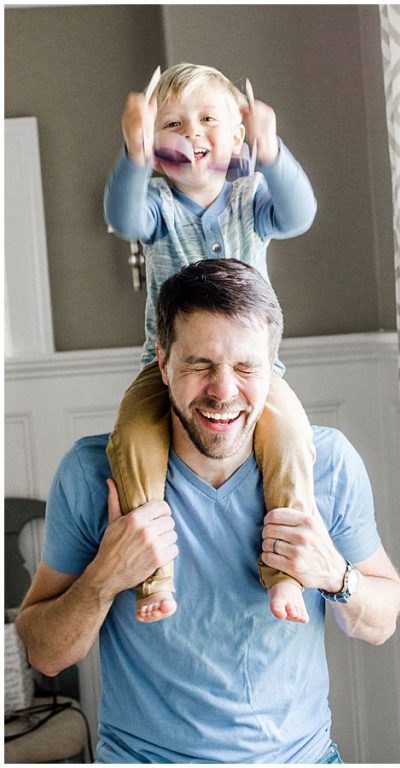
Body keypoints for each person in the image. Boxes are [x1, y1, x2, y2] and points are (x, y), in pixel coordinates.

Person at [15, 259, 400, 763]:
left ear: (272, 367)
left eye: (245, 367)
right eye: (200, 365)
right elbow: (45, 654)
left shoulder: (325, 463)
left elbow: (380, 622)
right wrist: (104, 578)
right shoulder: (92, 474)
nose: (222, 391)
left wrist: (334, 574)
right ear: (162, 362)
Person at [104, 62, 318, 624]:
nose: (193, 133)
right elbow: (120, 216)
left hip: (254, 370)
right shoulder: (156, 206)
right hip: (171, 369)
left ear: (238, 136)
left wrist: (273, 153)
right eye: (172, 124)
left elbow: (300, 216)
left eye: (207, 120)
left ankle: (286, 574)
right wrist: (131, 155)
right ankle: (155, 577)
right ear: (153, 143)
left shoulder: (252, 197)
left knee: (292, 435)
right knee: (131, 439)